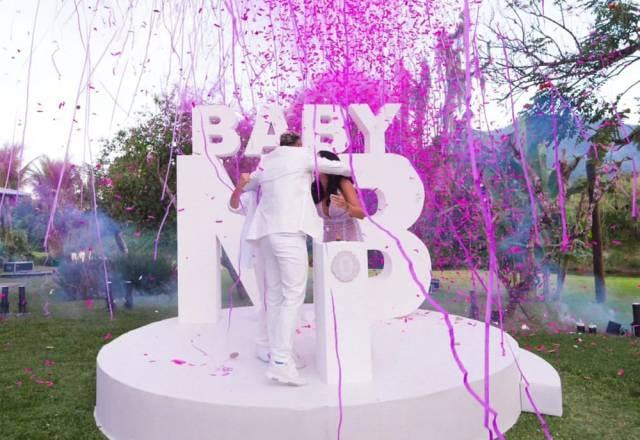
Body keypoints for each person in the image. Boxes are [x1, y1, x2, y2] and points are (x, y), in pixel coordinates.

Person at [244, 132, 351, 386]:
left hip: (266, 234)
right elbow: (342, 167)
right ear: (299, 144)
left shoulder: (267, 161)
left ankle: (278, 351)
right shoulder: (303, 155)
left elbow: (250, 184)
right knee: (293, 296)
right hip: (289, 232)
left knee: (275, 296)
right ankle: (281, 361)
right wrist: (313, 156)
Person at [310, 150, 365, 242]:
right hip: (328, 242)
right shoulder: (315, 189)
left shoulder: (343, 183)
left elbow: (361, 214)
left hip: (350, 239)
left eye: (318, 162)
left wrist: (346, 206)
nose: (314, 166)